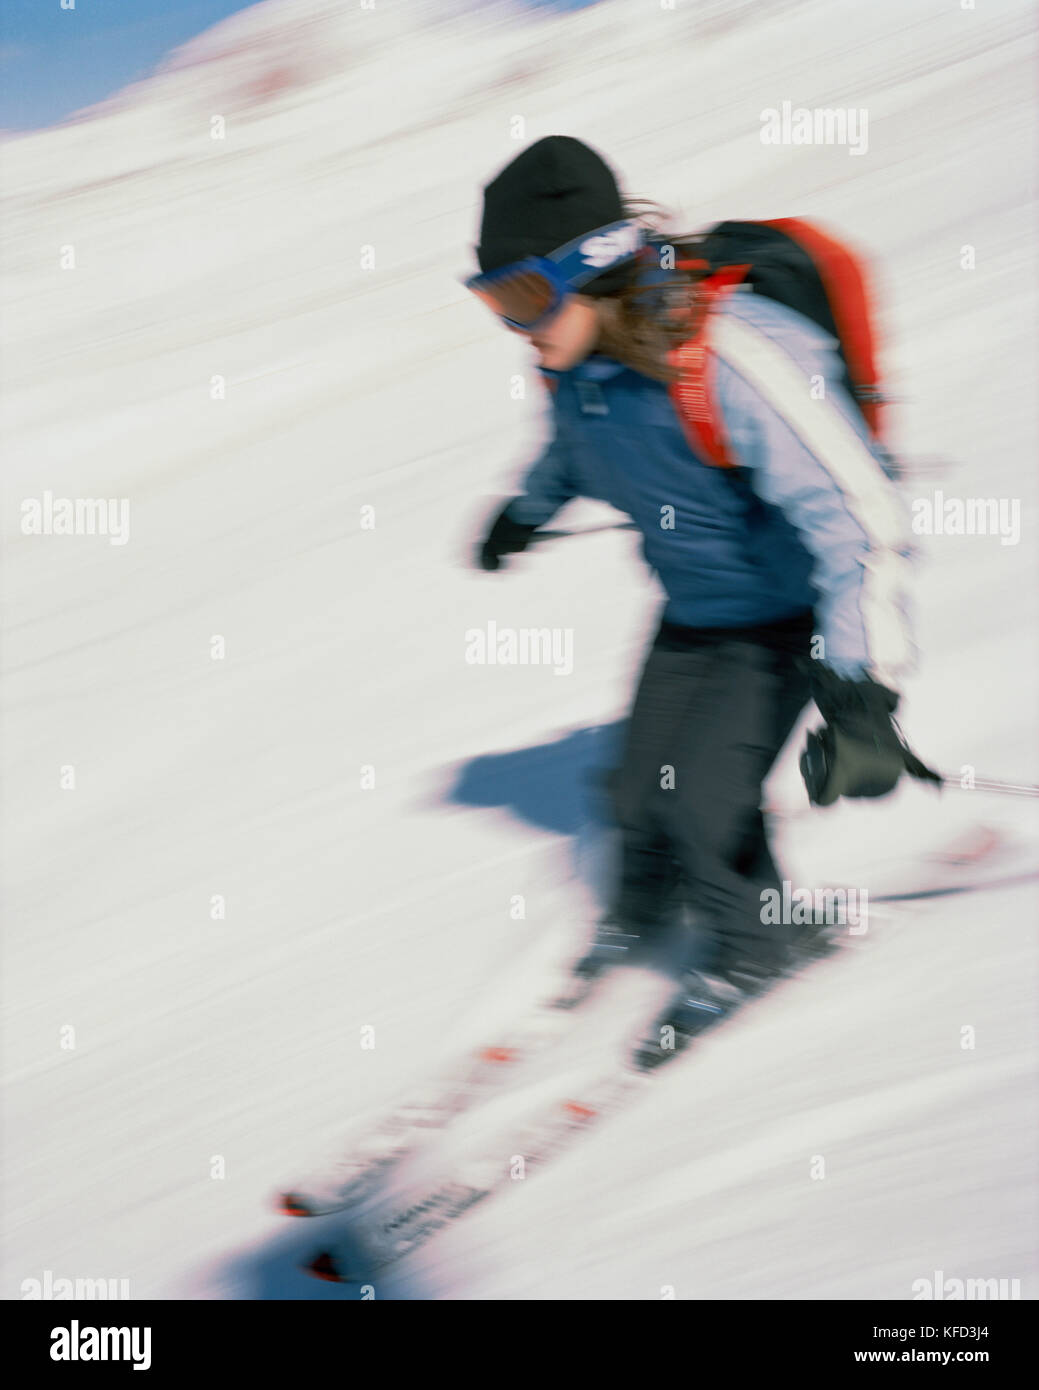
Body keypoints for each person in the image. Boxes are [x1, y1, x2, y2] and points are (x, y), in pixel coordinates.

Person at [466, 136, 935, 1064]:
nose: (512, 325)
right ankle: (644, 912)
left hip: (786, 618)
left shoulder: (736, 355)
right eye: (490, 301)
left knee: (705, 802)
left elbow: (862, 522)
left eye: (521, 295)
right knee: (635, 788)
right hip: (695, 610)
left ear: (588, 268)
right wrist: (524, 512)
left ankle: (764, 940)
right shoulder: (575, 370)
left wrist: (861, 693)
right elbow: (575, 450)